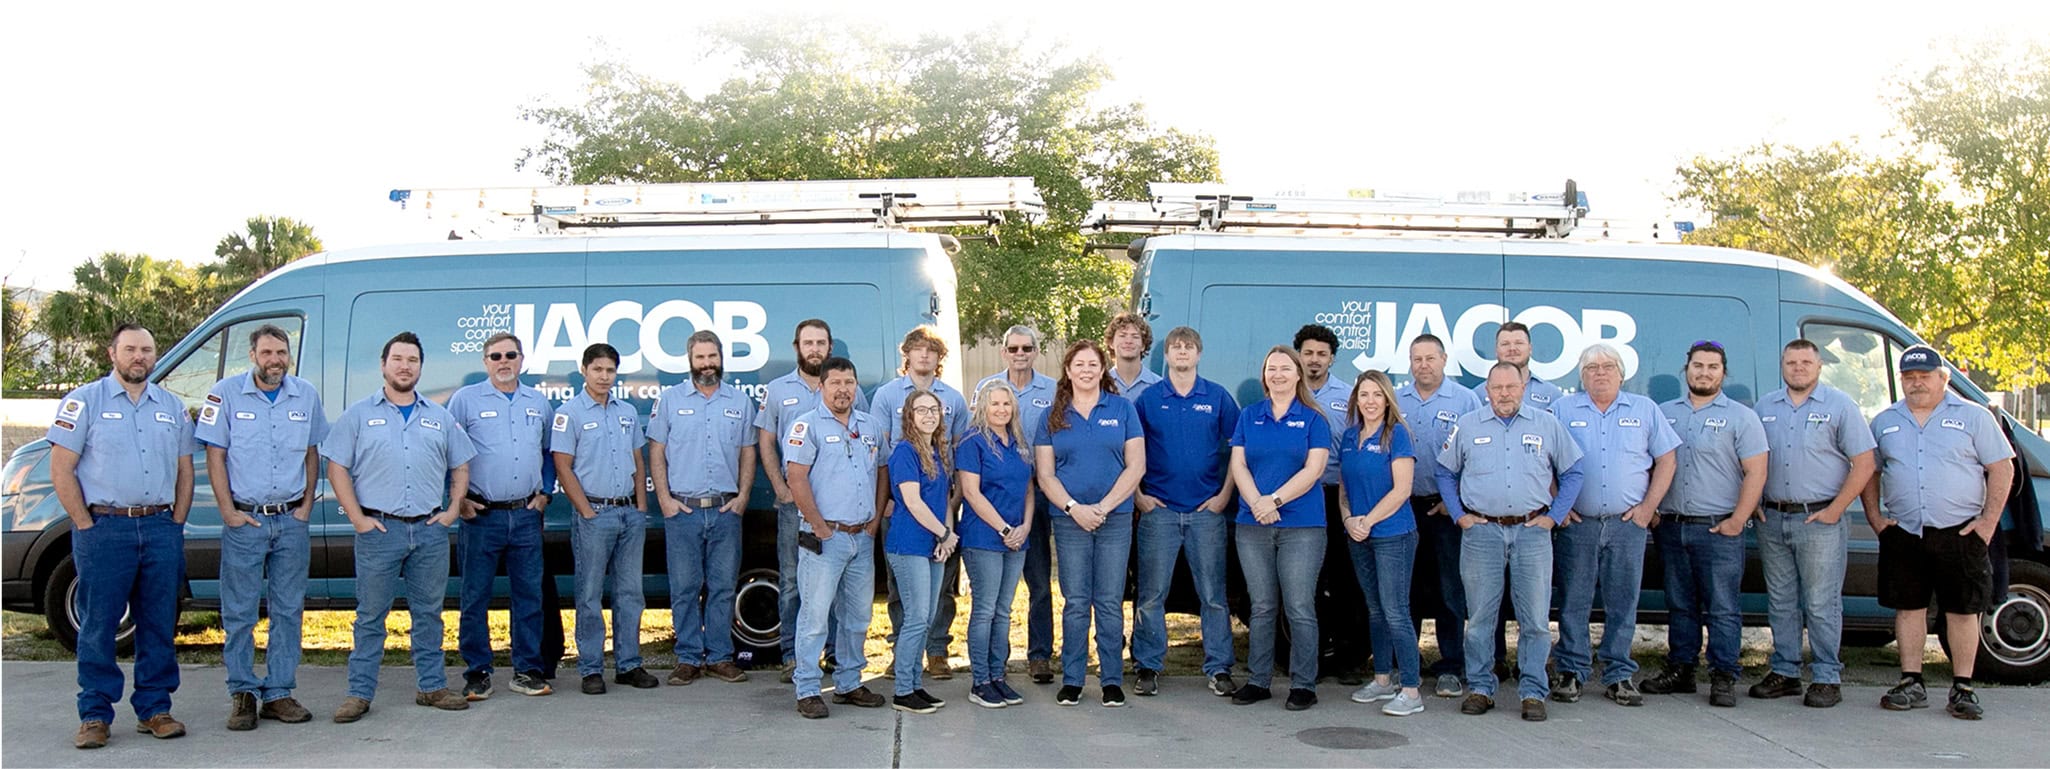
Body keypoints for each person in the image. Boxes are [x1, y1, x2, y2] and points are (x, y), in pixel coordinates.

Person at [50, 324, 197, 748]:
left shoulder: (171, 406)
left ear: (154, 356)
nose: (139, 357)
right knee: (99, 624)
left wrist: (177, 521)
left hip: (159, 527)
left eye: (147, 350)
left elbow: (186, 469)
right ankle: (94, 714)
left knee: (157, 622)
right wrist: (83, 523)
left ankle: (155, 708)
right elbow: (62, 469)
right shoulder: (83, 402)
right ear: (112, 353)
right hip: (105, 528)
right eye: (130, 349)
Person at [323, 331, 477, 723]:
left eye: (412, 360)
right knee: (371, 616)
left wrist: (452, 510)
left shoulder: (439, 417)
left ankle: (431, 687)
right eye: (398, 359)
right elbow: (336, 465)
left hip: (428, 531)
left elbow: (461, 464)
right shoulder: (358, 414)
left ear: (420, 367)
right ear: (383, 364)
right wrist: (357, 517)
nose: (405, 366)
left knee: (428, 614)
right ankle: (359, 694)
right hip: (380, 531)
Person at [1863, 344, 2014, 720]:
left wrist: (1987, 525)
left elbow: (2002, 468)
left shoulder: (1974, 417)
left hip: (1960, 533)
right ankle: (1911, 681)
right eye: (1909, 378)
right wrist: (1876, 519)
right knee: (1908, 608)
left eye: (1925, 376)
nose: (1917, 384)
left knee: (1962, 611)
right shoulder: (1885, 421)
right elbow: (1869, 471)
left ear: (1943, 378)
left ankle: (1962, 687)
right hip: (1904, 532)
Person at [1437, 362, 1584, 723]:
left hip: (1532, 532)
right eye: (1497, 388)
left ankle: (1533, 691)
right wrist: (1459, 515)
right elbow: (1444, 470)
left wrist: (1554, 515)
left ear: (1523, 388)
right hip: (1481, 533)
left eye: (1511, 387)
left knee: (1534, 619)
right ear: (1487, 391)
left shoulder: (1546, 424)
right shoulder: (1468, 425)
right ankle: (1481, 688)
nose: (1504, 393)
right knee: (1482, 617)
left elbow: (1574, 470)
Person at [197, 324, 326, 729]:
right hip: (246, 520)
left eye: (281, 352)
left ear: (289, 356)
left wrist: (306, 506)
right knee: (239, 612)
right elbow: (215, 457)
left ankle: (279, 692)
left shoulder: (305, 395)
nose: (275, 360)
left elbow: (312, 453)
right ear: (252, 355)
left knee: (289, 610)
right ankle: (242, 693)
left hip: (290, 521)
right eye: (267, 352)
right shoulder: (225, 394)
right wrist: (228, 512)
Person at [1748, 338, 1875, 708]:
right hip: (1772, 517)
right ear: (1782, 366)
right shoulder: (1765, 407)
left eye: (1806, 362)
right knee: (1782, 602)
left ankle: (1826, 676)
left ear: (1819, 367)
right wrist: (1754, 501)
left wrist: (1837, 509)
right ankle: (1786, 672)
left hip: (1819, 518)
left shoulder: (1840, 406)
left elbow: (1865, 463)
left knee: (1821, 602)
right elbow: (1752, 460)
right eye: (1791, 362)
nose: (1798, 368)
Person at [1549, 343, 1678, 707]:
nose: (1600, 373)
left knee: (1623, 601)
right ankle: (1572, 670)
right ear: (1582, 375)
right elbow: (1542, 457)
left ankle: (1619, 673)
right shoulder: (1562, 409)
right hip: (1579, 524)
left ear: (1621, 374)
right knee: (1573, 600)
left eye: (1608, 367)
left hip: (1627, 525)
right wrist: (1560, 505)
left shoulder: (1644, 410)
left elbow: (1667, 460)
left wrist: (1648, 507)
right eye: (1591, 367)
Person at [1645, 340, 1767, 707]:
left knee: (1722, 607)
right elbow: (1648, 464)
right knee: (1680, 604)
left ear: (1723, 373)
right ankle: (1681, 670)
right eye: (1698, 366)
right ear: (1687, 370)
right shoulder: (1663, 413)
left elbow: (1756, 472)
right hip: (1671, 525)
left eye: (1712, 367)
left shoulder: (1742, 418)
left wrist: (1738, 520)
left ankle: (1723, 675)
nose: (1704, 372)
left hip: (1718, 529)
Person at [755, 319, 871, 683]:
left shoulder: (853, 397)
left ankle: (839, 662)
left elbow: (870, 452)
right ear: (797, 347)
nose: (815, 348)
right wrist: (783, 488)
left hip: (849, 522)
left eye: (822, 342)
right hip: (801, 513)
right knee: (795, 584)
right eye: (809, 342)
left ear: (830, 347)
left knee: (847, 599)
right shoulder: (779, 390)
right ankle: (795, 662)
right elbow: (766, 441)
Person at [445, 332, 556, 701]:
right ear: (485, 362)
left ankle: (527, 670)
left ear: (522, 359)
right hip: (481, 516)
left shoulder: (538, 402)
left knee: (529, 597)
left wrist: (545, 492)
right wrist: (458, 500)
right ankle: (478, 672)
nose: (503, 361)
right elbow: (447, 452)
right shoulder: (464, 401)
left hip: (525, 514)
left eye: (510, 354)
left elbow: (548, 453)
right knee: (475, 597)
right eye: (495, 356)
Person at [1034, 339, 1145, 708]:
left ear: (1103, 370)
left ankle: (1112, 679)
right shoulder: (1052, 415)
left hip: (1114, 519)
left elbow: (1136, 466)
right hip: (1069, 522)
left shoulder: (1123, 409)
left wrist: (1103, 506)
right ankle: (1073, 679)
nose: (1085, 370)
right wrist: (1074, 509)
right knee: (1077, 601)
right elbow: (1045, 475)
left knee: (1111, 601)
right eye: (1078, 364)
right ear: (1068, 371)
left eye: (1092, 364)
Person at [1131, 326, 1241, 698]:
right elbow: (1129, 453)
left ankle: (1219, 667)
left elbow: (1238, 450)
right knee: (1151, 594)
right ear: (1166, 355)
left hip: (1206, 511)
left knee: (1212, 595)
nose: (1181, 352)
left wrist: (1225, 495)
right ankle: (1147, 665)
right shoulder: (1148, 399)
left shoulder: (1218, 397)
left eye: (1188, 346)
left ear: (1198, 354)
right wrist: (1138, 496)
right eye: (1175, 347)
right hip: (1158, 511)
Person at [1228, 345, 1333, 711]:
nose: (1278, 375)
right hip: (1252, 524)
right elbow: (1238, 465)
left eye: (1285, 368)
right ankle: (1259, 680)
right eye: (1271, 369)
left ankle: (1304, 684)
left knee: (1300, 606)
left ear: (1298, 374)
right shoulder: (1249, 416)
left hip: (1302, 526)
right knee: (1261, 606)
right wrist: (1257, 502)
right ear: (1264, 375)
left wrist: (1273, 501)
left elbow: (1313, 470)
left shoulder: (1314, 419)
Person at [649, 330, 757, 686]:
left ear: (721, 359)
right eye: (700, 358)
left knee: (723, 587)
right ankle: (688, 658)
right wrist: (665, 500)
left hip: (726, 511)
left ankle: (721, 657)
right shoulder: (669, 400)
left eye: (712, 357)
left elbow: (747, 453)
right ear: (690, 360)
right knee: (684, 587)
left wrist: (742, 497)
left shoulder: (740, 401)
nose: (707, 364)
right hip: (684, 512)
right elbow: (657, 452)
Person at [551, 343, 657, 695]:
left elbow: (638, 460)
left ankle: (628, 664)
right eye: (597, 369)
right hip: (595, 515)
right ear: (584, 370)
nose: (604, 376)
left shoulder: (626, 411)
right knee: (590, 594)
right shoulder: (570, 413)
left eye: (610, 370)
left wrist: (641, 507)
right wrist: (586, 511)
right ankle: (591, 668)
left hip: (629, 513)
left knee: (630, 593)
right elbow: (562, 467)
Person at [786, 356, 888, 719]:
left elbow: (882, 471)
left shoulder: (870, 426)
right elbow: (795, 478)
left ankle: (848, 682)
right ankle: (808, 688)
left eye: (849, 382)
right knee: (815, 617)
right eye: (835, 383)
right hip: (824, 538)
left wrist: (874, 520)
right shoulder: (806, 426)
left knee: (858, 616)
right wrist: (818, 526)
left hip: (861, 538)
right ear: (821, 386)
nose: (843, 389)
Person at [872, 325, 971, 681]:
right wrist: (884, 501)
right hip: (902, 507)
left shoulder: (954, 400)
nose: (924, 355)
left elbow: (959, 457)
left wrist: (952, 509)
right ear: (907, 355)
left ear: (939, 358)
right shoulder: (886, 395)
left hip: (941, 505)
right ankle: (903, 652)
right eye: (918, 349)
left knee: (941, 584)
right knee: (902, 585)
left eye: (931, 350)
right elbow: (881, 456)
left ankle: (937, 650)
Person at [1394, 334, 1484, 698]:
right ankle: (1407, 665)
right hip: (1404, 506)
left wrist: (1456, 499)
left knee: (1451, 589)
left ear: (1445, 359)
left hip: (1448, 509)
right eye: (1417, 359)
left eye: (1430, 358)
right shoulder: (1397, 399)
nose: (1423, 365)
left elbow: (1478, 456)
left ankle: (1451, 666)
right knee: (1408, 589)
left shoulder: (1466, 400)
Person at [973, 325, 1059, 685]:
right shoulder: (987, 388)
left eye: (1027, 347)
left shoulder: (1053, 390)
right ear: (1004, 352)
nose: (1020, 353)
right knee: (994, 595)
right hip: (995, 500)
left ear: (1036, 351)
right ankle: (996, 662)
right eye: (1013, 348)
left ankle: (1039, 655)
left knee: (1038, 580)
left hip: (1038, 492)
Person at [1336, 370, 1425, 717]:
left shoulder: (1398, 435)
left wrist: (1368, 521)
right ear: (1355, 400)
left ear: (1387, 399)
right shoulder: (1348, 436)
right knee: (1374, 609)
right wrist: (1348, 520)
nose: (1370, 401)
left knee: (1396, 610)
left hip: (1393, 534)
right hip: (1358, 534)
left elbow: (1402, 490)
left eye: (1376, 395)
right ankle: (1382, 679)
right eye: (1364, 395)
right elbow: (1344, 488)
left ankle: (1412, 691)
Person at [957, 379, 1036, 708]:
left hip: (1019, 537)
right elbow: (972, 494)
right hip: (985, 538)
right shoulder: (971, 442)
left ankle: (998, 675)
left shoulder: (1019, 441)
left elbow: (1029, 489)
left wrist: (1025, 526)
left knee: (1004, 612)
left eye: (1007, 404)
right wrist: (1005, 529)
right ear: (982, 407)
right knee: (986, 610)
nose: (1001, 409)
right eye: (995, 404)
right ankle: (980, 681)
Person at [1295, 324, 1366, 682]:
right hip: (1298, 498)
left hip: (1336, 494)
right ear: (1299, 356)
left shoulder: (1349, 395)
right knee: (1307, 581)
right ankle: (1313, 657)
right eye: (1308, 353)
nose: (1314, 360)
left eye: (1322, 354)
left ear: (1332, 358)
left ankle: (1351, 658)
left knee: (1345, 579)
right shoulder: (1287, 392)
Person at [884, 390, 959, 714]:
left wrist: (946, 537)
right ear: (909, 416)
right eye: (921, 410)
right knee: (915, 617)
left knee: (927, 617)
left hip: (934, 545)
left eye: (934, 409)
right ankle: (903, 690)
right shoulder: (904, 451)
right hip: (908, 544)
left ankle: (915, 684)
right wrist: (943, 533)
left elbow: (943, 500)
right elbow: (912, 502)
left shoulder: (938, 451)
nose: (929, 415)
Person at [1470, 321, 1566, 411]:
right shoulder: (1478, 395)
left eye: (1519, 343)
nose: (1512, 348)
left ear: (1530, 348)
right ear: (1496, 350)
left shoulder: (1552, 394)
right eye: (1505, 344)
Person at [1106, 311, 1163, 399]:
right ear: (1111, 343)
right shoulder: (1100, 385)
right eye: (1122, 335)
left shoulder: (1160, 387)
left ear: (1143, 345)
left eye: (1135, 336)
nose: (1128, 341)